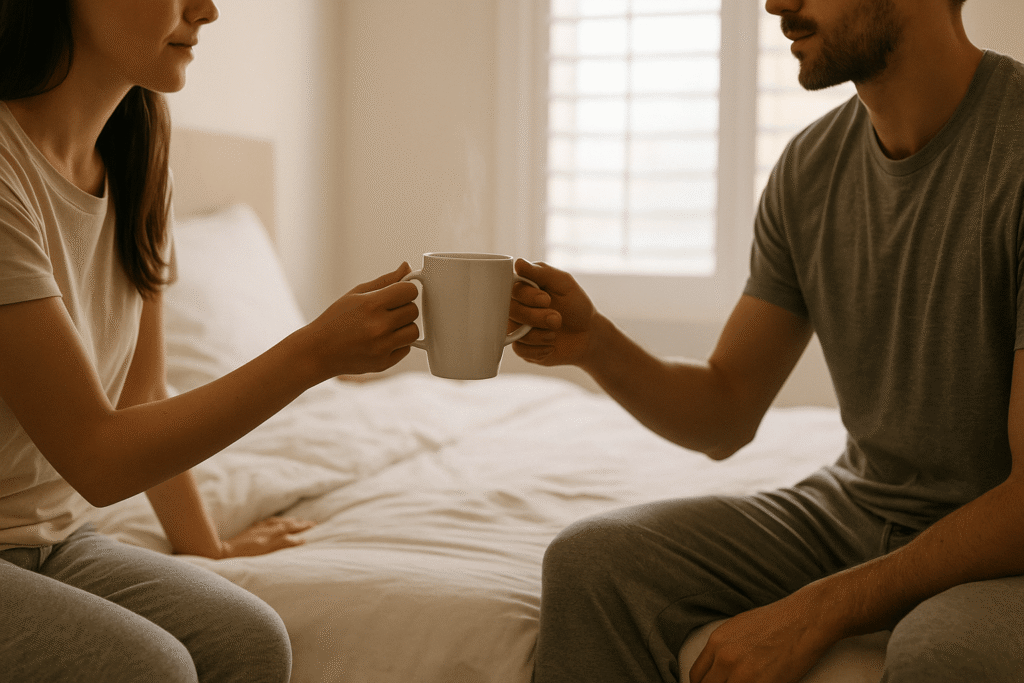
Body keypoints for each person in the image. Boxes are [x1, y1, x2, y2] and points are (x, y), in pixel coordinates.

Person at [509, 0, 1024, 681]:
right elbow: (725, 411)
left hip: (1002, 540)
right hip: (861, 508)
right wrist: (594, 343)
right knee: (593, 561)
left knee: (943, 656)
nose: (775, 3)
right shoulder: (810, 168)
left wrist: (819, 609)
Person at [0, 1, 419, 681]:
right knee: (152, 668)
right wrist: (312, 353)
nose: (208, 9)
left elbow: (143, 393)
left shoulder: (136, 157)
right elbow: (96, 456)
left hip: (50, 540)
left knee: (251, 639)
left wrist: (207, 547)